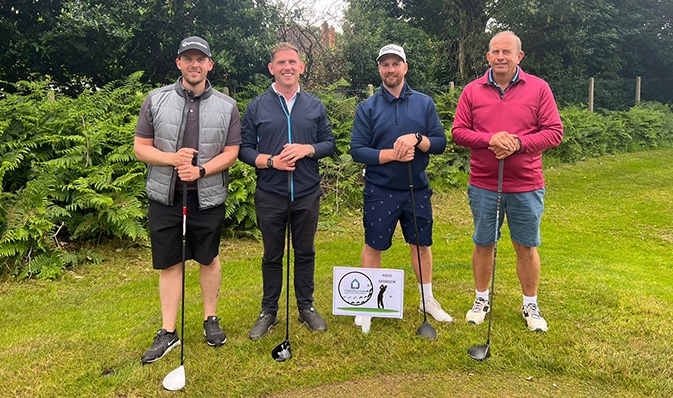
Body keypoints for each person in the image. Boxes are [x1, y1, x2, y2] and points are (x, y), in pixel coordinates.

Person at [134, 35, 241, 364]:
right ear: (179, 63)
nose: (194, 64)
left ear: (210, 64)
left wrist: (202, 170)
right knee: (170, 262)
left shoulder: (228, 106)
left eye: (201, 59)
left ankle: (210, 319)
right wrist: (174, 160)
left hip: (207, 197)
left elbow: (233, 152)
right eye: (188, 58)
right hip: (165, 196)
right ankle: (168, 331)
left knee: (209, 258)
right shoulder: (156, 99)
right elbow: (141, 148)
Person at [451, 31, 563, 332]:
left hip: (526, 184)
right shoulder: (472, 90)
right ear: (488, 57)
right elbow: (459, 132)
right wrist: (491, 139)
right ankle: (481, 299)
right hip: (484, 183)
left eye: (507, 52)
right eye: (495, 52)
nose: (500, 57)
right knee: (483, 242)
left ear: (519, 56)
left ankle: (530, 303)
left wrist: (518, 142)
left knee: (526, 245)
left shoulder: (538, 88)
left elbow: (554, 132)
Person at [350, 44, 453, 327]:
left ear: (405, 68)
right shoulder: (367, 107)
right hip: (379, 189)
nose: (391, 69)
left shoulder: (424, 103)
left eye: (396, 64)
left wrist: (418, 139)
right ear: (380, 69)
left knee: (421, 244)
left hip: (416, 188)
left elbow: (441, 144)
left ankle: (426, 298)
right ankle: (369, 303)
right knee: (374, 245)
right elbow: (358, 150)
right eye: (385, 64)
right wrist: (392, 154)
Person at [239, 42, 335, 340]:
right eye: (281, 63)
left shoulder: (315, 105)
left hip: (306, 193)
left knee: (305, 252)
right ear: (272, 68)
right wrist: (271, 162)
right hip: (270, 194)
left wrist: (308, 149)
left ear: (301, 67)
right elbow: (243, 149)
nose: (287, 67)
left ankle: (305, 307)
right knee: (272, 255)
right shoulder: (257, 106)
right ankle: (269, 311)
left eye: (292, 62)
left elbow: (329, 144)